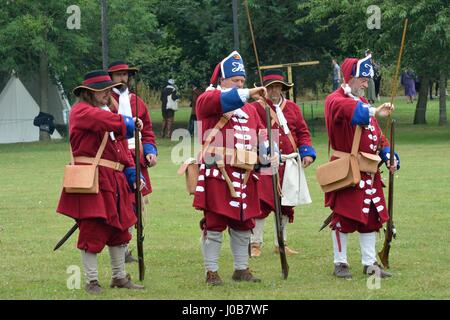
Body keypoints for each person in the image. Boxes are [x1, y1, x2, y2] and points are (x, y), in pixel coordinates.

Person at [56, 70, 145, 294]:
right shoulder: (82, 111)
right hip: (93, 178)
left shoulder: (107, 113)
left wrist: (132, 171)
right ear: (89, 93)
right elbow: (106, 121)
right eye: (102, 91)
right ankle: (92, 281)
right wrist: (128, 122)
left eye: (108, 90)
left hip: (114, 179)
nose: (107, 94)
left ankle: (119, 277)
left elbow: (120, 147)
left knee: (119, 229)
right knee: (92, 230)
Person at [193, 50, 275, 285]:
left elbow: (261, 135)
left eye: (242, 81)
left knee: (243, 223)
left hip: (246, 173)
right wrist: (248, 93)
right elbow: (222, 101)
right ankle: (211, 271)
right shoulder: (208, 100)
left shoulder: (250, 109)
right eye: (235, 81)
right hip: (218, 171)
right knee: (215, 223)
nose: (240, 84)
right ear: (222, 82)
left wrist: (269, 150)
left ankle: (241, 268)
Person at [324, 54, 400, 280]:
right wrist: (375, 111)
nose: (367, 83)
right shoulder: (334, 100)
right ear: (349, 78)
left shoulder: (364, 104)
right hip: (347, 169)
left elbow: (377, 136)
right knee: (343, 219)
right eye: (363, 79)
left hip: (369, 169)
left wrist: (388, 155)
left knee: (370, 218)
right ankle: (340, 262)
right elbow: (348, 110)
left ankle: (369, 263)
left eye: (368, 79)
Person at [249, 69, 316, 257]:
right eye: (270, 87)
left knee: (286, 204)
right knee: (263, 204)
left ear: (282, 88)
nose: (274, 90)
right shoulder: (256, 108)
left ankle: (281, 242)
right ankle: (255, 243)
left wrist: (307, 152)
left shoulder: (293, 108)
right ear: (264, 89)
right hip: (265, 161)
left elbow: (302, 132)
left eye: (277, 86)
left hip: (289, 162)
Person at [108, 60, 158, 263]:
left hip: (136, 158)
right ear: (111, 77)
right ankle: (120, 247)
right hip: (116, 160)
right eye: (119, 75)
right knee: (122, 204)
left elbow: (147, 132)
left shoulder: (137, 102)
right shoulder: (105, 102)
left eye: (125, 75)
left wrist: (150, 151)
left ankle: (126, 248)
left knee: (135, 206)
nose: (123, 78)